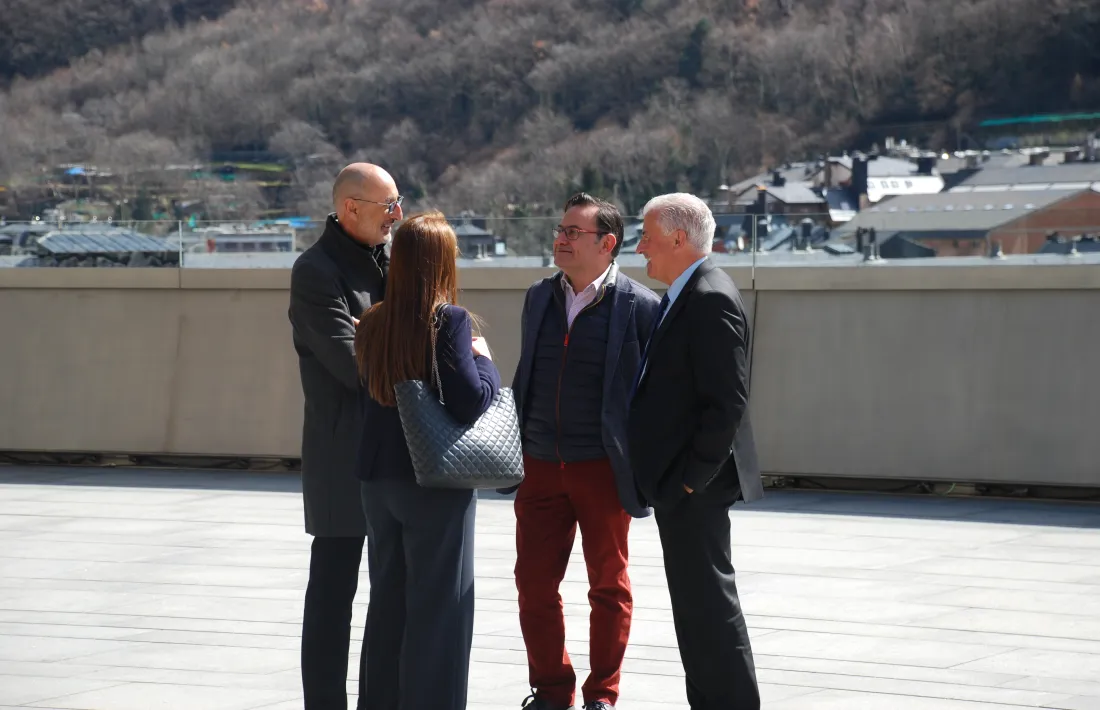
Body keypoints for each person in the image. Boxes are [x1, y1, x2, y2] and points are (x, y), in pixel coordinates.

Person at [510, 193, 662, 710]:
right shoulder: (538, 297)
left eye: (574, 232)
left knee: (608, 586)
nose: (561, 239)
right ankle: (552, 692)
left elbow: (653, 396)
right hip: (540, 466)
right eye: (560, 229)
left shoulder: (641, 306)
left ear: (607, 243)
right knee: (533, 585)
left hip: (602, 469)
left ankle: (602, 696)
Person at [353, 211, 500, 710]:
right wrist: (484, 359)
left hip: (378, 478)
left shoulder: (372, 320)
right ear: (441, 263)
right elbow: (469, 400)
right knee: (441, 609)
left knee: (388, 601)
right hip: (433, 480)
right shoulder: (450, 320)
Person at [627, 193, 765, 709]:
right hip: (681, 485)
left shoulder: (709, 296)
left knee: (709, 608)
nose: (640, 248)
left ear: (679, 239)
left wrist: (689, 479)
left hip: (694, 487)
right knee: (696, 611)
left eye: (647, 235)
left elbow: (726, 404)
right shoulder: (686, 292)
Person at [288, 163, 402, 709]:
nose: (396, 216)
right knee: (333, 594)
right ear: (350, 208)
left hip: (398, 455)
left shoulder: (394, 262)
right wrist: (388, 343)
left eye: (398, 202)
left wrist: (375, 335)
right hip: (342, 458)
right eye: (387, 206)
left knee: (392, 595)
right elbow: (350, 364)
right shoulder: (315, 271)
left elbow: (428, 332)